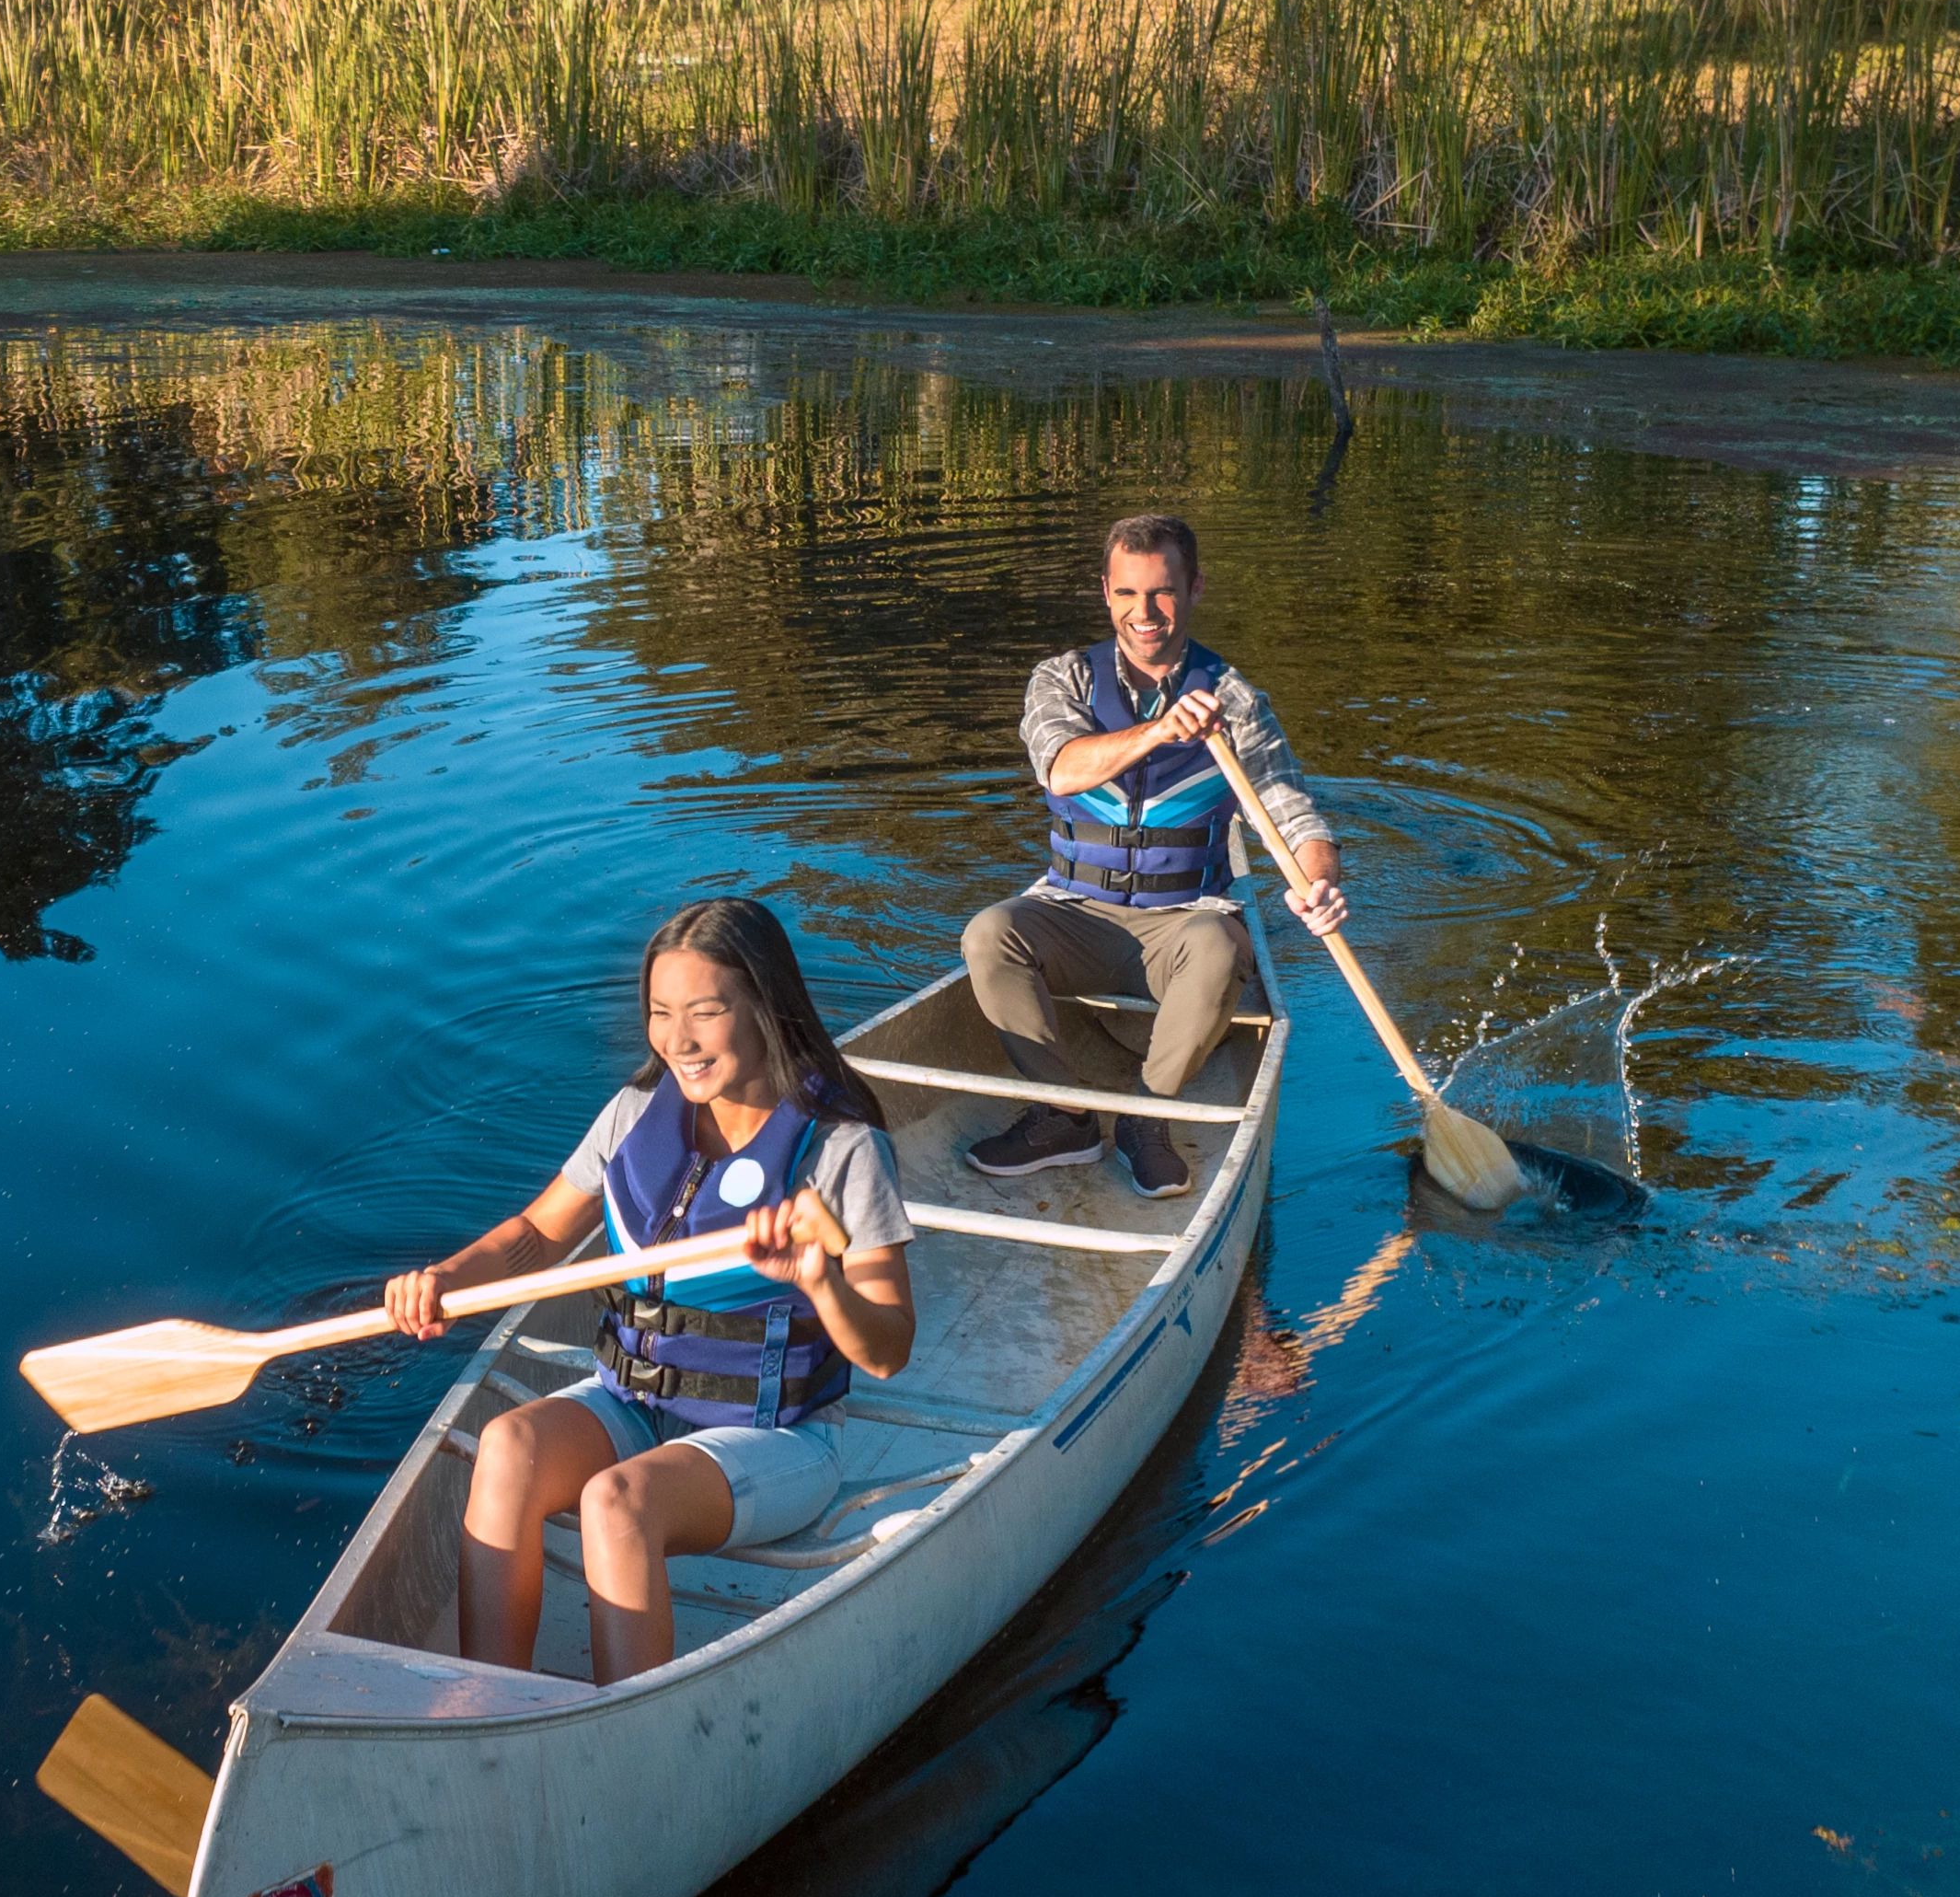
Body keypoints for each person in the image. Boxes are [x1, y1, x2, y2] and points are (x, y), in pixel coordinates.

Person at [382, 898, 920, 1686]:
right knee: (507, 1447)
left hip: (778, 1437)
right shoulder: (635, 1115)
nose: (679, 1041)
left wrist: (820, 1281)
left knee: (616, 1503)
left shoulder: (842, 1150)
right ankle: (486, 1702)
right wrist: (443, 1281)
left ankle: (621, 1726)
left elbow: (890, 1350)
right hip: (631, 1405)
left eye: (706, 1012)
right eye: (661, 1013)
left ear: (765, 1008)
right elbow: (535, 1234)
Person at [961, 513, 1349, 1195]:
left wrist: (1317, 882)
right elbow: (1061, 769)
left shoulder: (1237, 703)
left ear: (1194, 589)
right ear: (1105, 592)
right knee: (989, 933)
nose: (1146, 613)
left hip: (1183, 924)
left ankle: (1148, 1115)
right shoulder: (1063, 680)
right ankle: (1066, 1115)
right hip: (1075, 914)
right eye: (1129, 593)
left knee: (1222, 947)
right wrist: (1159, 731)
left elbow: (1294, 815)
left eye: (1163, 592)